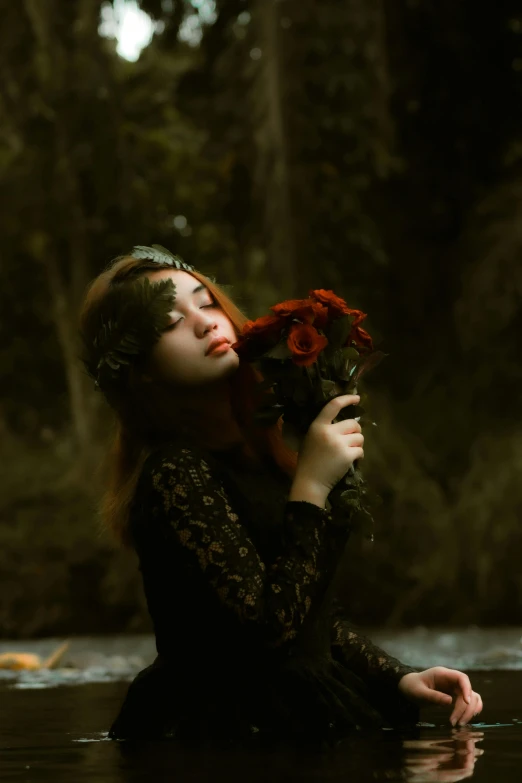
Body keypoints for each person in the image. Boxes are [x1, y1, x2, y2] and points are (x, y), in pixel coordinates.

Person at [78, 245, 483, 748]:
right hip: (221, 739)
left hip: (297, 712)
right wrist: (311, 487)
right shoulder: (174, 474)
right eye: (169, 323)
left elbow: (312, 617)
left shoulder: (253, 456)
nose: (205, 324)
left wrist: (399, 676)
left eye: (205, 304)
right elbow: (269, 631)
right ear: (139, 370)